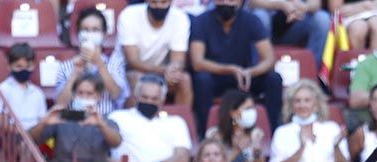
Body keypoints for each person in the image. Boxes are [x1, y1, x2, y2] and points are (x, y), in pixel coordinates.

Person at [31, 75, 122, 162]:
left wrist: (101, 125)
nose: (84, 97)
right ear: (74, 95)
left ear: (98, 96)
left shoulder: (106, 122)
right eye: (80, 93)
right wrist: (44, 123)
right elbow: (31, 139)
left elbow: (116, 142)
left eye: (89, 94)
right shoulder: (60, 118)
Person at [189, 0, 284, 133]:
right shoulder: (201, 21)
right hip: (215, 77)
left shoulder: (251, 20)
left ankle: (273, 131)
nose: (226, 3)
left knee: (274, 78)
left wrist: (251, 72)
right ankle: (204, 133)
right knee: (201, 79)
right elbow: (197, 63)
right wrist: (231, 69)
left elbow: (269, 59)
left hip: (244, 78)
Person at [268, 79, 349, 162]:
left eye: (307, 100)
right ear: (291, 105)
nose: (302, 105)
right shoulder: (283, 132)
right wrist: (301, 147)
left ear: (316, 104)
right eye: (297, 101)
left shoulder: (331, 129)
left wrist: (336, 147)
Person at [53, 9, 128, 118]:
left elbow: (116, 94)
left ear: (105, 34)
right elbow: (60, 104)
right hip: (73, 122)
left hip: (105, 123)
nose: (90, 34)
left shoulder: (115, 64)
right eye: (85, 30)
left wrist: (100, 64)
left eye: (95, 30)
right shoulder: (65, 67)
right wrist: (76, 72)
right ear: (79, 34)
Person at [117, 0, 192, 108]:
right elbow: (133, 61)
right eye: (154, 2)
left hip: (162, 71)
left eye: (163, 2)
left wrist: (174, 69)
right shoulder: (129, 15)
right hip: (131, 69)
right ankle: (135, 122)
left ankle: (180, 121)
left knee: (184, 79)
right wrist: (165, 70)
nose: (158, 6)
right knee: (137, 78)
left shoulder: (180, 17)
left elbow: (178, 59)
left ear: (171, 2)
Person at [248, 0, 330, 70]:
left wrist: (303, 7)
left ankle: (311, 74)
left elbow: (316, 3)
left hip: (297, 24)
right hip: (267, 28)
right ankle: (258, 72)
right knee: (260, 15)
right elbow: (252, 2)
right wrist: (281, 5)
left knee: (322, 18)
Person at [0, 43, 45, 131]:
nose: (24, 70)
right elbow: (2, 122)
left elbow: (42, 121)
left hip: (35, 136)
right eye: (19, 66)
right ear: (9, 66)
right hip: (12, 137)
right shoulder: (3, 90)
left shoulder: (38, 93)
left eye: (28, 66)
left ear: (33, 66)